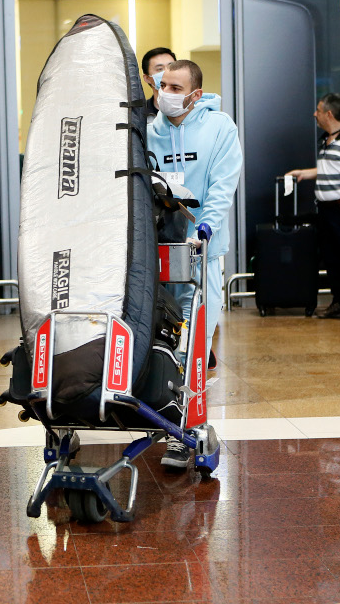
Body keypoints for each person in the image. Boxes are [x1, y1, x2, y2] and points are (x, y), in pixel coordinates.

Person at [146, 59, 242, 469]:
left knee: (194, 344)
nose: (165, 92)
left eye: (174, 86)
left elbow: (223, 185)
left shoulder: (220, 128)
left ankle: (182, 434)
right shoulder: (148, 132)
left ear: (195, 94)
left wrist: (204, 226)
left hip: (201, 253)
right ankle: (157, 416)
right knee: (159, 344)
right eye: (162, 84)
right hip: (157, 256)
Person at [286, 93, 340, 324]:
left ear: (328, 114)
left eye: (318, 110)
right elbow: (328, 169)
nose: (315, 114)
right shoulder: (327, 140)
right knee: (332, 260)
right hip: (326, 211)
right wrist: (304, 173)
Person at [140, 47, 176, 124]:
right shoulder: (140, 114)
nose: (167, 72)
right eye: (160, 69)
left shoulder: (193, 107)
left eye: (171, 67)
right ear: (147, 78)